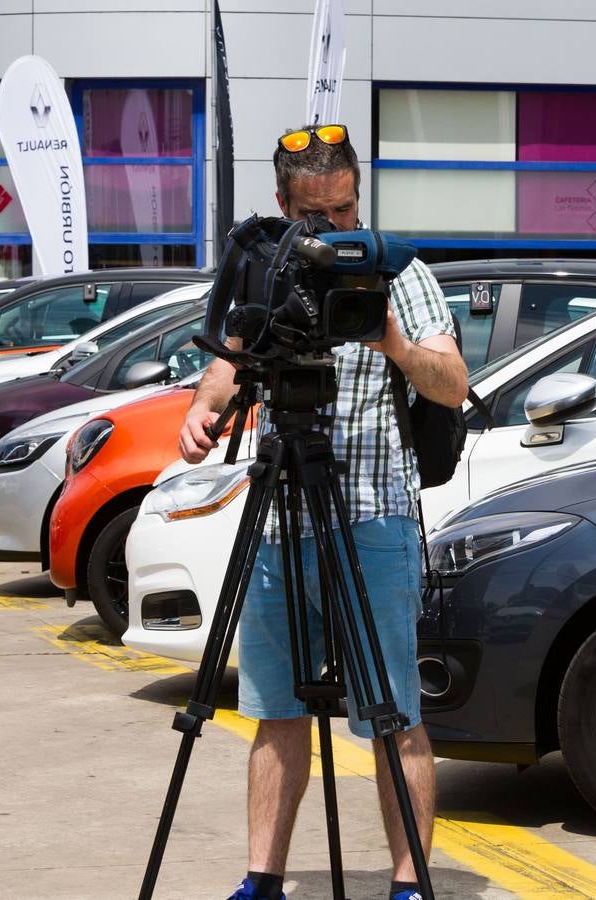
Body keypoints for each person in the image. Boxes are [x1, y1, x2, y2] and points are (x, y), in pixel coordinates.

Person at [178, 125, 468, 900]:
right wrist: (201, 417)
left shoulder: (394, 270)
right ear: (283, 204)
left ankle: (410, 885)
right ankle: (262, 880)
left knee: (392, 711)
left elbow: (452, 383)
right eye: (317, 214)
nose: (336, 228)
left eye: (345, 209)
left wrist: (396, 345)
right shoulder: (265, 271)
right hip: (281, 519)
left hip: (374, 515)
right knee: (276, 710)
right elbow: (221, 371)